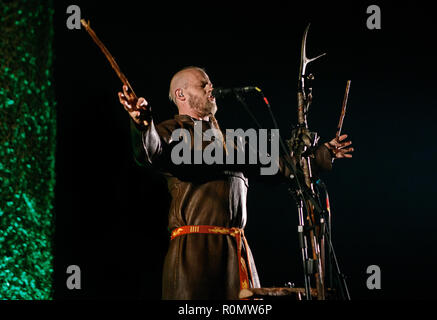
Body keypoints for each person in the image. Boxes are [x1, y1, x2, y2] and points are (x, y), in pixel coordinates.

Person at [118, 66, 353, 300]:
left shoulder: (232, 142)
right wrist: (143, 125)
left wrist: (323, 154)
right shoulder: (172, 131)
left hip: (236, 251)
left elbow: (282, 168)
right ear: (182, 94)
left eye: (210, 83)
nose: (211, 87)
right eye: (203, 84)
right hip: (195, 252)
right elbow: (150, 151)